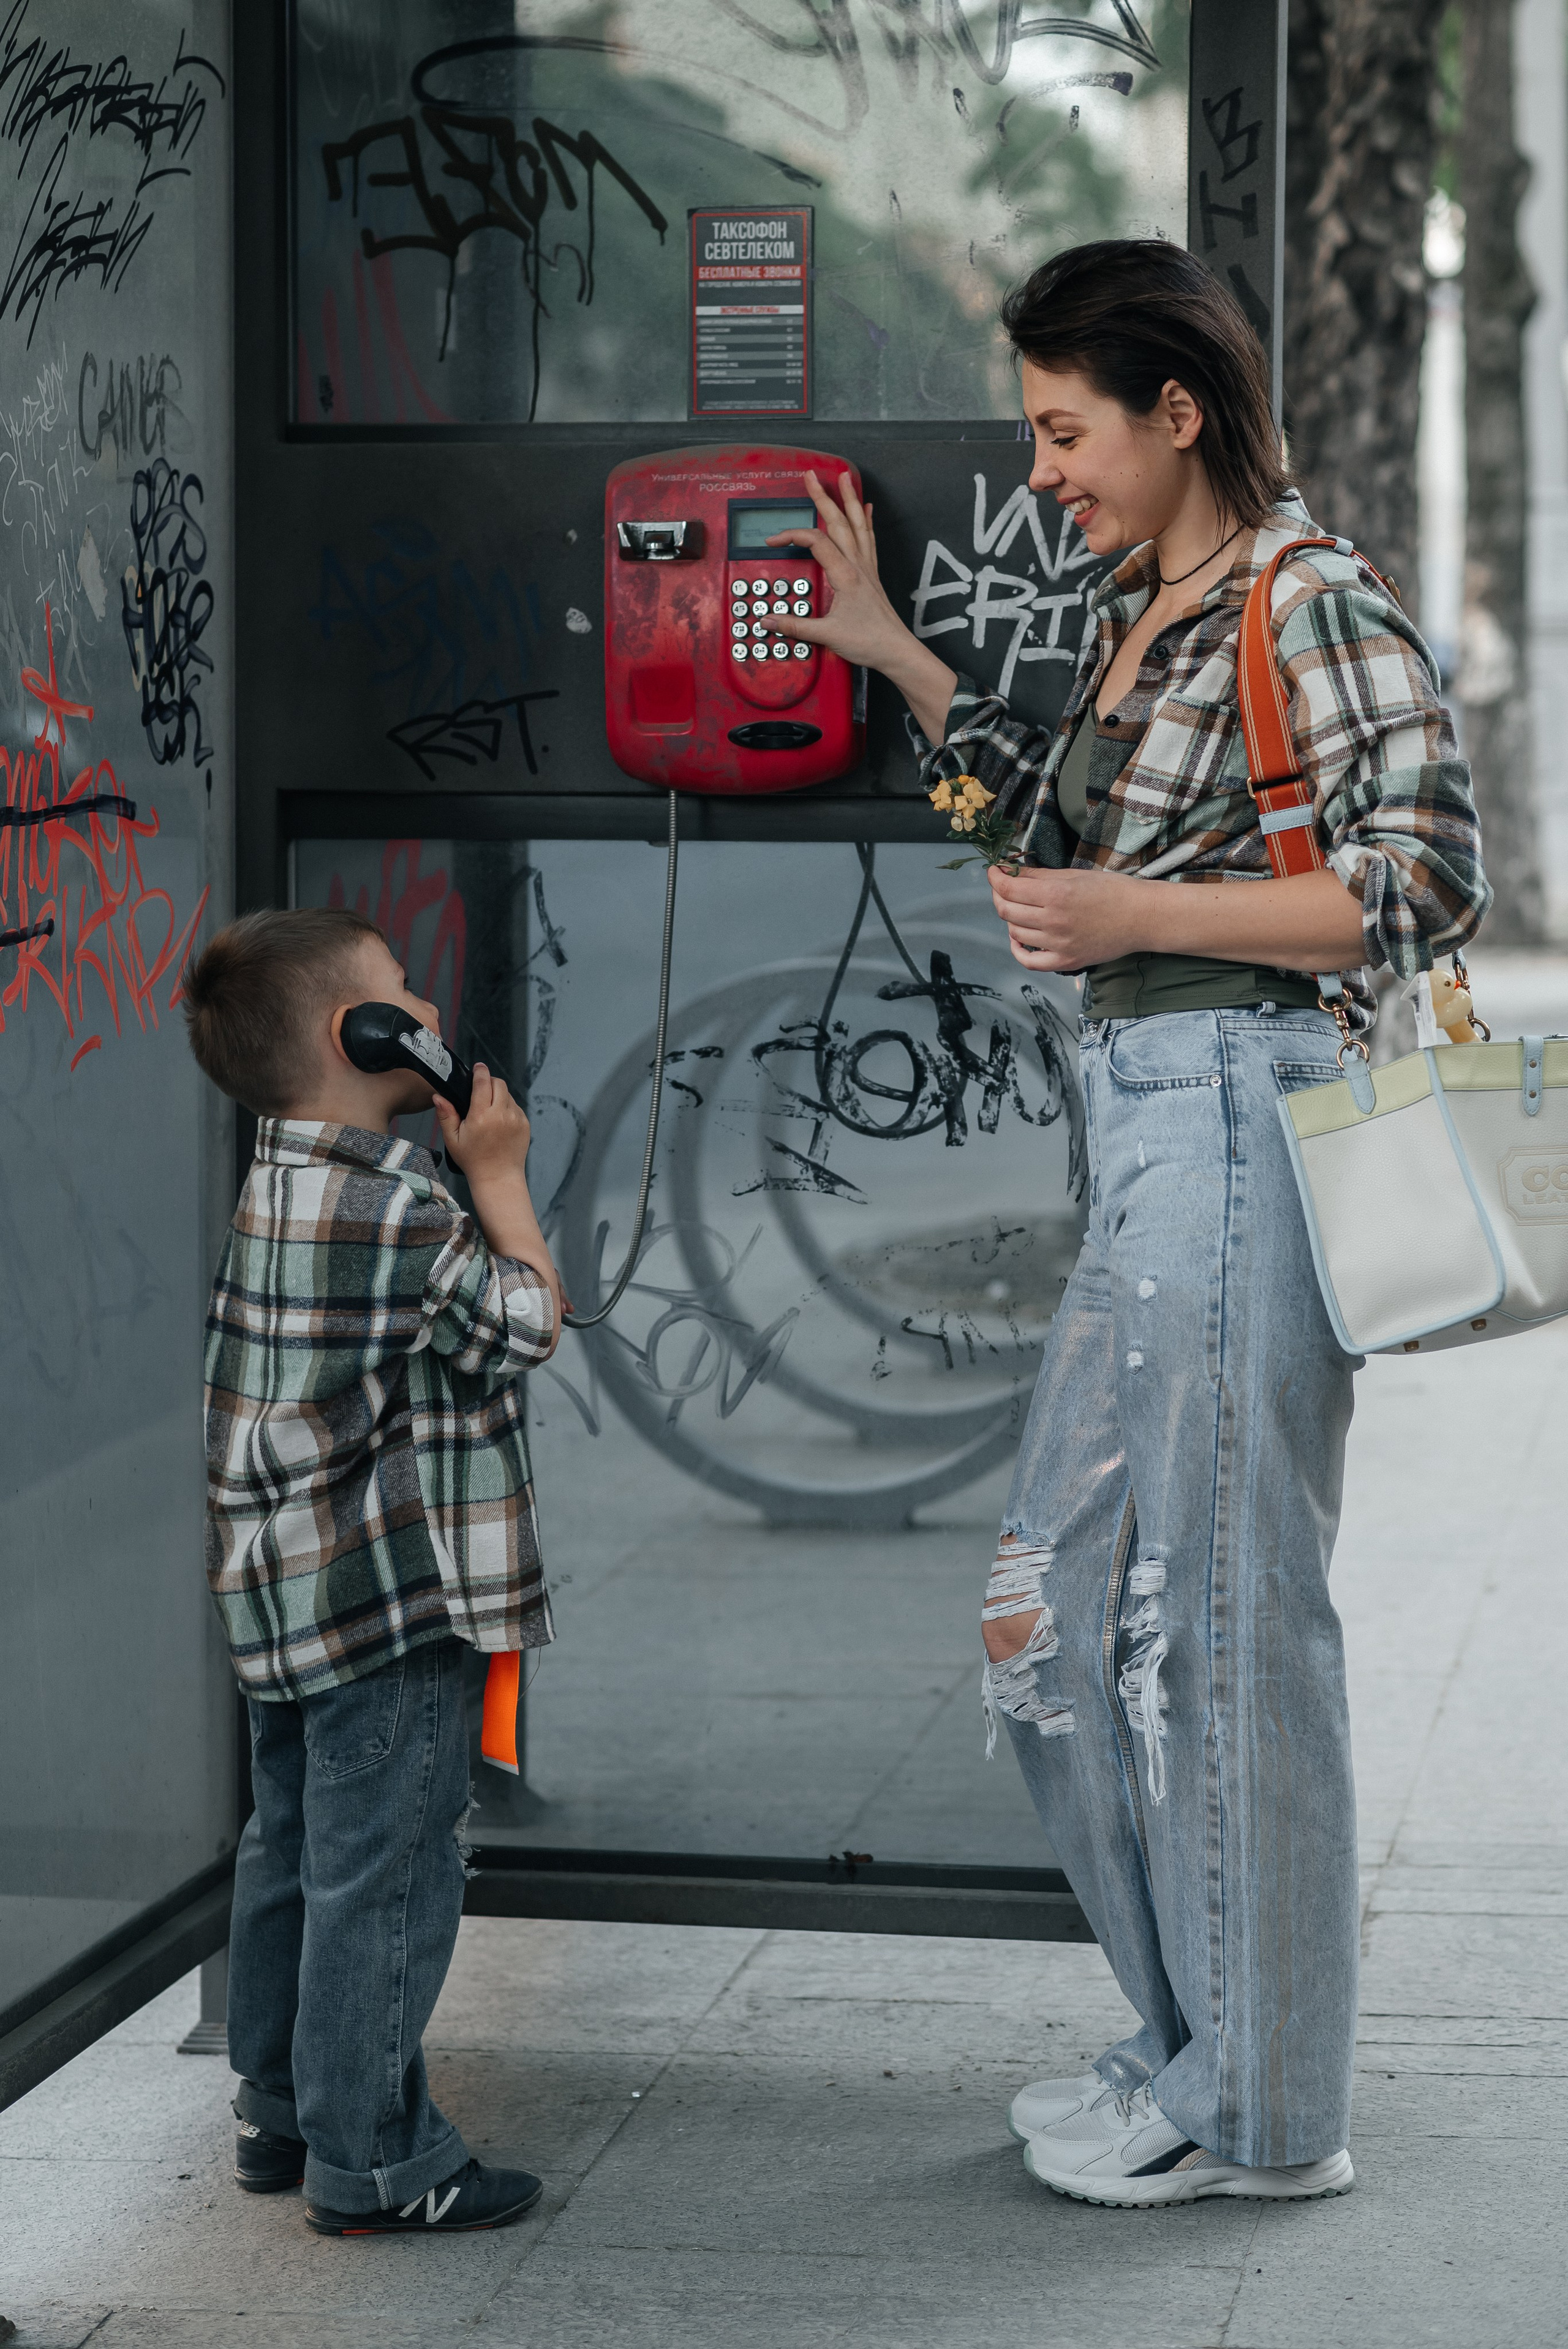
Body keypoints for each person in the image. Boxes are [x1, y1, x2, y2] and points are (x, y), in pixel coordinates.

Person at [770, 239, 1489, 2208]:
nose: (1045, 470)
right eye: (1034, 431)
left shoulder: (1306, 600)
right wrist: (893, 651)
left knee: (1226, 1627)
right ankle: (1203, 2043)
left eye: (1068, 429)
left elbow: (1428, 884)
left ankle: (1263, 2108)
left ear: (1182, 412)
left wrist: (1140, 919)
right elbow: (1064, 846)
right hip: (1152, 1132)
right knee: (1050, 1619)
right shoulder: (1139, 609)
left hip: (1246, 1119)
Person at [184, 907, 562, 2235]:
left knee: (291, 1848)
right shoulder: (397, 1197)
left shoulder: (281, 1168)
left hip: (286, 1595)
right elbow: (523, 1327)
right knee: (388, 1869)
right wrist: (500, 1170)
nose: (429, 1013)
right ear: (369, 1036)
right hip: (389, 1604)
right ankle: (378, 2155)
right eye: (404, 997)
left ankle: (283, 2106)